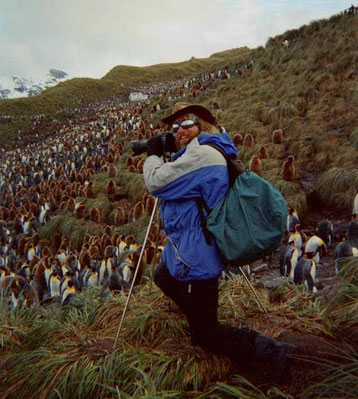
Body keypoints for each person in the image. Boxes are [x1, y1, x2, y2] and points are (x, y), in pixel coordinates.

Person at [143, 103, 296, 381]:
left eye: (187, 123)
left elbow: (156, 183)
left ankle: (272, 351)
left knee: (206, 335)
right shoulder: (197, 152)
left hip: (200, 253)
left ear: (203, 124)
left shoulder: (202, 155)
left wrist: (153, 154)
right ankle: (197, 318)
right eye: (174, 126)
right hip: (186, 247)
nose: (179, 130)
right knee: (162, 276)